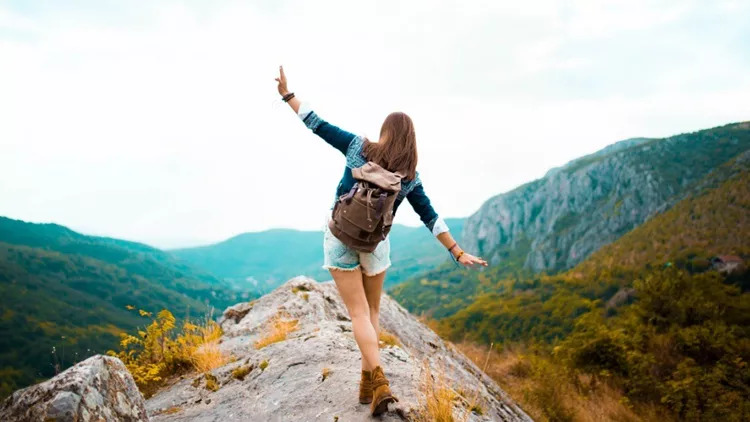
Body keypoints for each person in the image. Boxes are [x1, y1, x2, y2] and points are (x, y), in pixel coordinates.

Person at [274, 65, 487, 416]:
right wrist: (457, 251)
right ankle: (367, 384)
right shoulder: (410, 178)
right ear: (411, 139)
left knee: (357, 313)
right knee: (371, 312)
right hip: (376, 246)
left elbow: (316, 123)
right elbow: (430, 218)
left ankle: (379, 382)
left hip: (340, 237)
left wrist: (287, 95)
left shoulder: (359, 147)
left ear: (385, 132)